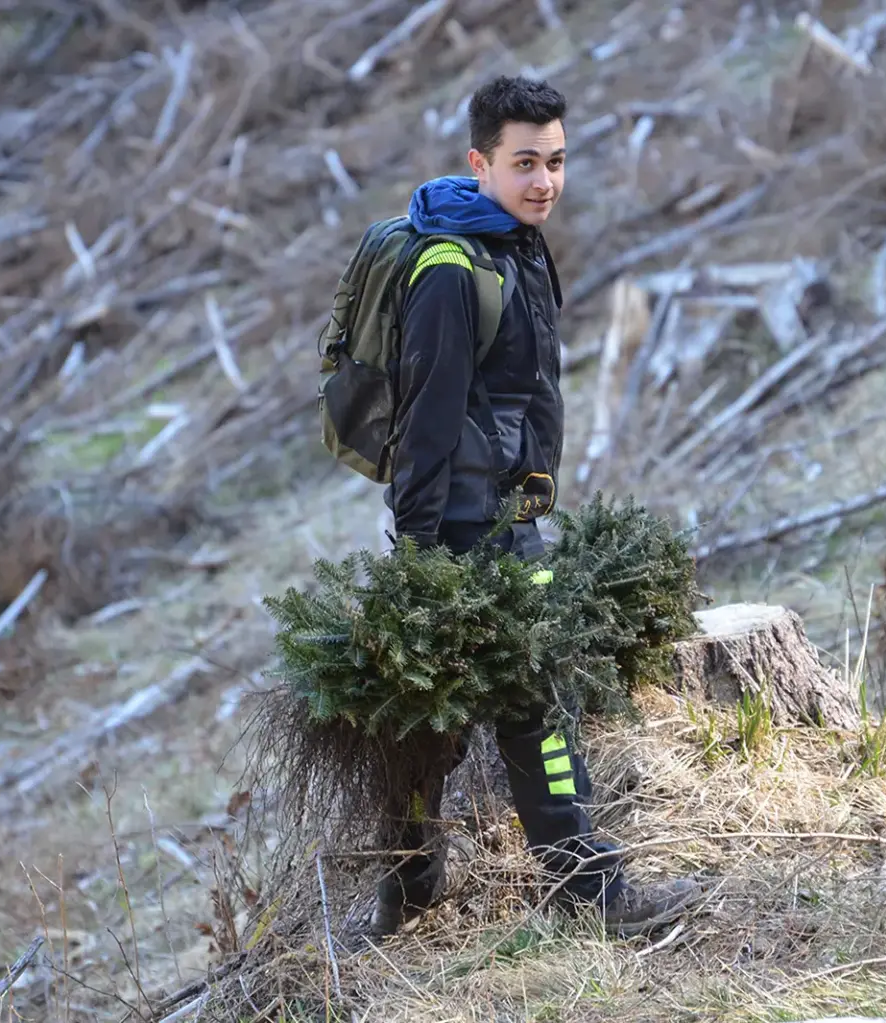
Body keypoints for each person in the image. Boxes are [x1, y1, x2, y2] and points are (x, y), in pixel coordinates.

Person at [365, 74, 701, 939]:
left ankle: (416, 893)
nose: (544, 180)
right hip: (464, 532)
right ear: (480, 163)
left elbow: (527, 393)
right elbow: (427, 422)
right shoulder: (450, 272)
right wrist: (423, 556)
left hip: (512, 516)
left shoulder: (517, 244)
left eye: (555, 161)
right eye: (524, 163)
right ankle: (583, 893)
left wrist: (536, 489)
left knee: (500, 712)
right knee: (501, 713)